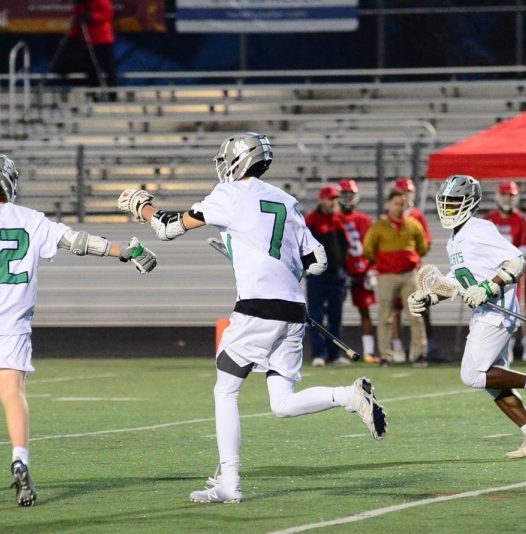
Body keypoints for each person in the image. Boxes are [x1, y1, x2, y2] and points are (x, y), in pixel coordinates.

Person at [117, 132, 387, 503]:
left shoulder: (228, 195)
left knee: (225, 388)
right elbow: (318, 260)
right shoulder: (287, 200)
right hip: (293, 310)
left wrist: (141, 206)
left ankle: (229, 482)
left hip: (258, 308)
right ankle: (350, 396)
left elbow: (167, 228)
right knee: (281, 402)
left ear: (237, 161)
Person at [0, 153, 157, 506]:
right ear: (9, 182)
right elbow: (78, 242)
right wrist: (123, 252)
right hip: (11, 325)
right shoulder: (30, 220)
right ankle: (20, 458)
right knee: (12, 394)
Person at [407, 174, 526, 458]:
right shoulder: (455, 239)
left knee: (472, 374)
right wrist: (430, 297)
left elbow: (518, 262)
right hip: (484, 313)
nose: (450, 208)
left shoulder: (479, 228)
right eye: (446, 202)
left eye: (456, 202)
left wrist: (489, 286)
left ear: (470, 203)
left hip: (497, 312)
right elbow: (456, 282)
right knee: (493, 383)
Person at [363, 188, 429, 367]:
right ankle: (385, 355)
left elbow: (423, 246)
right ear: (389, 205)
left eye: (403, 204)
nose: (400, 208)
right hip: (387, 276)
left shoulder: (413, 224)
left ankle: (419, 354)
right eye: (397, 204)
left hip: (409, 275)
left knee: (415, 315)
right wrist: (381, 264)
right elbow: (368, 249)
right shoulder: (379, 227)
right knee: (385, 316)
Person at [484, 181, 526, 362]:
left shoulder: (522, 219)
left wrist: (511, 265)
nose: (508, 198)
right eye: (505, 194)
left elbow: (524, 247)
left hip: (515, 270)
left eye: (511, 195)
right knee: (497, 310)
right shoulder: (489, 219)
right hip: (493, 271)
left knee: (519, 307)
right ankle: (502, 347)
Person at [305, 184, 349, 366]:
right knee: (316, 317)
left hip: (336, 276)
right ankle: (319, 354)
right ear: (322, 199)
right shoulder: (312, 220)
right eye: (331, 198)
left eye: (336, 199)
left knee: (335, 316)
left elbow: (344, 247)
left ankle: (334, 354)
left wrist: (344, 270)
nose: (334, 202)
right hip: (317, 276)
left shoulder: (338, 220)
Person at [337, 177, 378, 363]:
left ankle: (369, 352)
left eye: (350, 194)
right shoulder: (333, 219)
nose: (347, 198)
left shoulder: (365, 220)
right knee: (334, 312)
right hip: (341, 270)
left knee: (365, 311)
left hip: (361, 270)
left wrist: (372, 269)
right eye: (344, 194)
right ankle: (334, 353)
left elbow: (373, 247)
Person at [52, 0, 117, 100]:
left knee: (108, 67)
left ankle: (112, 94)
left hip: (103, 39)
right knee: (91, 69)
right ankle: (94, 94)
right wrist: (70, 37)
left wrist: (92, 16)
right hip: (89, 41)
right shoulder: (79, 5)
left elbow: (108, 13)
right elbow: (76, 21)